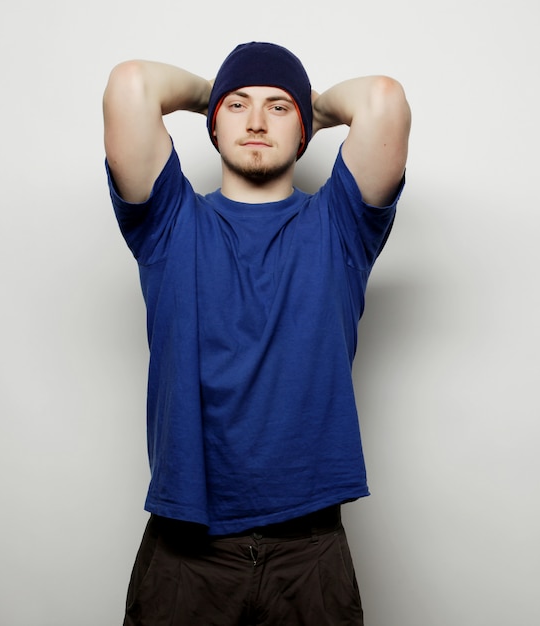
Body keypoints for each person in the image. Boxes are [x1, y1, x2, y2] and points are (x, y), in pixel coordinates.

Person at [103, 41, 411, 626]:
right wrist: (210, 96)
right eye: (238, 105)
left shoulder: (339, 226)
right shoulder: (170, 223)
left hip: (310, 552)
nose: (255, 120)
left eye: (278, 107)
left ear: (304, 131)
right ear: (214, 125)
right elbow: (131, 84)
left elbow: (383, 100)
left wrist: (312, 109)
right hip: (186, 551)